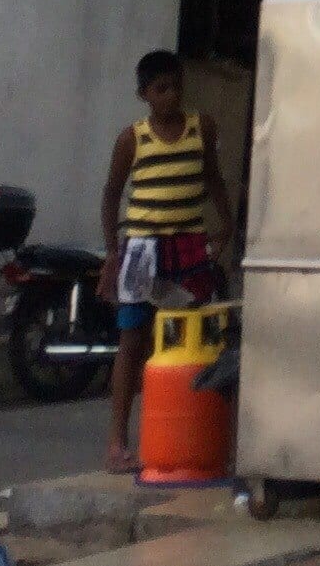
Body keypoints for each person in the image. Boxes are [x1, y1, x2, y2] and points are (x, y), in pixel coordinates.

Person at [101, 48, 235, 474]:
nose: (171, 96)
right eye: (161, 89)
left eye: (176, 87)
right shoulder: (132, 139)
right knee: (132, 341)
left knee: (195, 340)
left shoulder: (202, 128)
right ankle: (118, 444)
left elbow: (212, 177)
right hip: (142, 250)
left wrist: (227, 223)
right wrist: (113, 253)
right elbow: (111, 194)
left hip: (190, 248)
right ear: (143, 94)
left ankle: (195, 438)